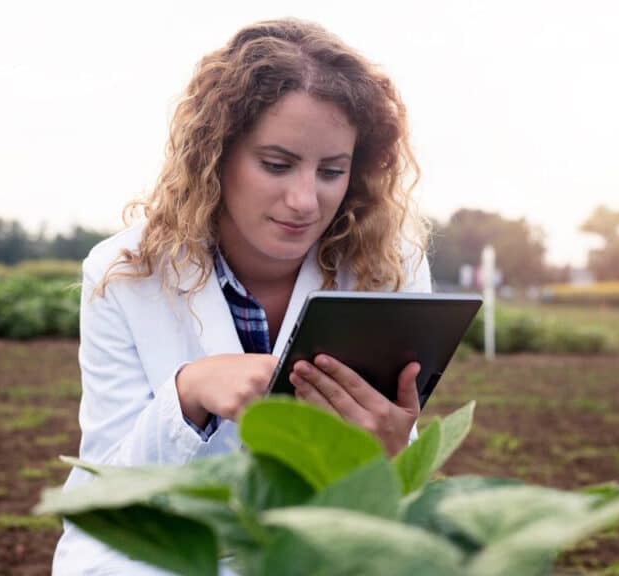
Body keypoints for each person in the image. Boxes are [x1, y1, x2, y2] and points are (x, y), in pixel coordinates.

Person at [53, 18, 433, 574]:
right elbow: (105, 491)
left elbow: (393, 481)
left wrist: (393, 456)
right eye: (276, 165)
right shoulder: (123, 273)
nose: (305, 199)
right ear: (216, 154)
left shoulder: (391, 265)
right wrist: (187, 394)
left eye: (332, 171)